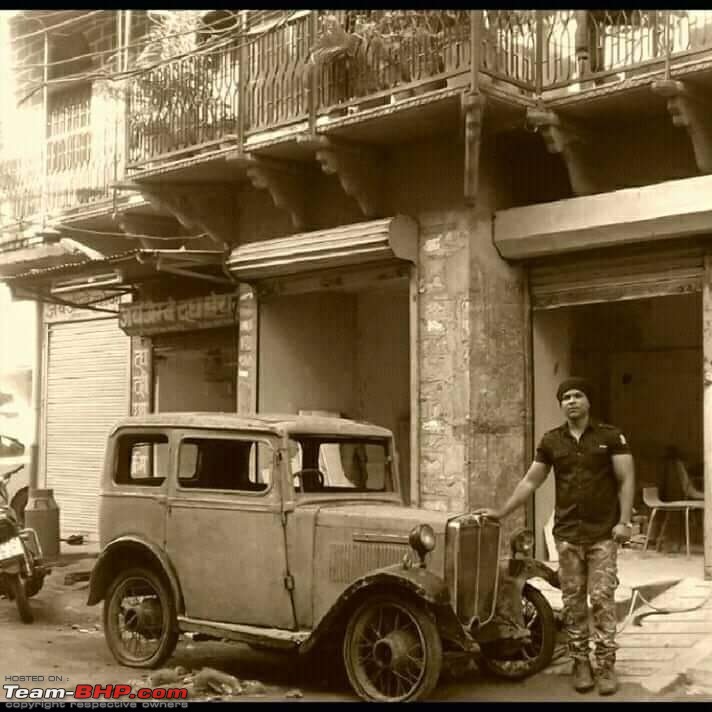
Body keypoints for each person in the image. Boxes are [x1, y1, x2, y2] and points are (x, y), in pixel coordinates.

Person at [476, 377, 635, 696]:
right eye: (566, 397)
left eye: (578, 395)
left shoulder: (609, 436)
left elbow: (626, 479)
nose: (571, 401)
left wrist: (625, 522)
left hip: (602, 534)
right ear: (561, 405)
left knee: (602, 600)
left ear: (588, 401)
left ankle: (605, 666)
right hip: (567, 535)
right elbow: (530, 482)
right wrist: (502, 511)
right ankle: (580, 663)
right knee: (573, 602)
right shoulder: (552, 441)